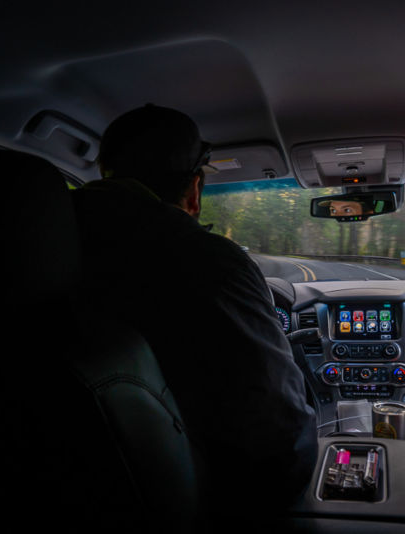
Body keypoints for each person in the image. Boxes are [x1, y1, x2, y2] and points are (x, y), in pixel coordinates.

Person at [71, 104, 317, 526]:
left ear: (104, 172)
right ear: (194, 191)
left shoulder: (39, 256)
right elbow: (282, 447)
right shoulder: (212, 263)